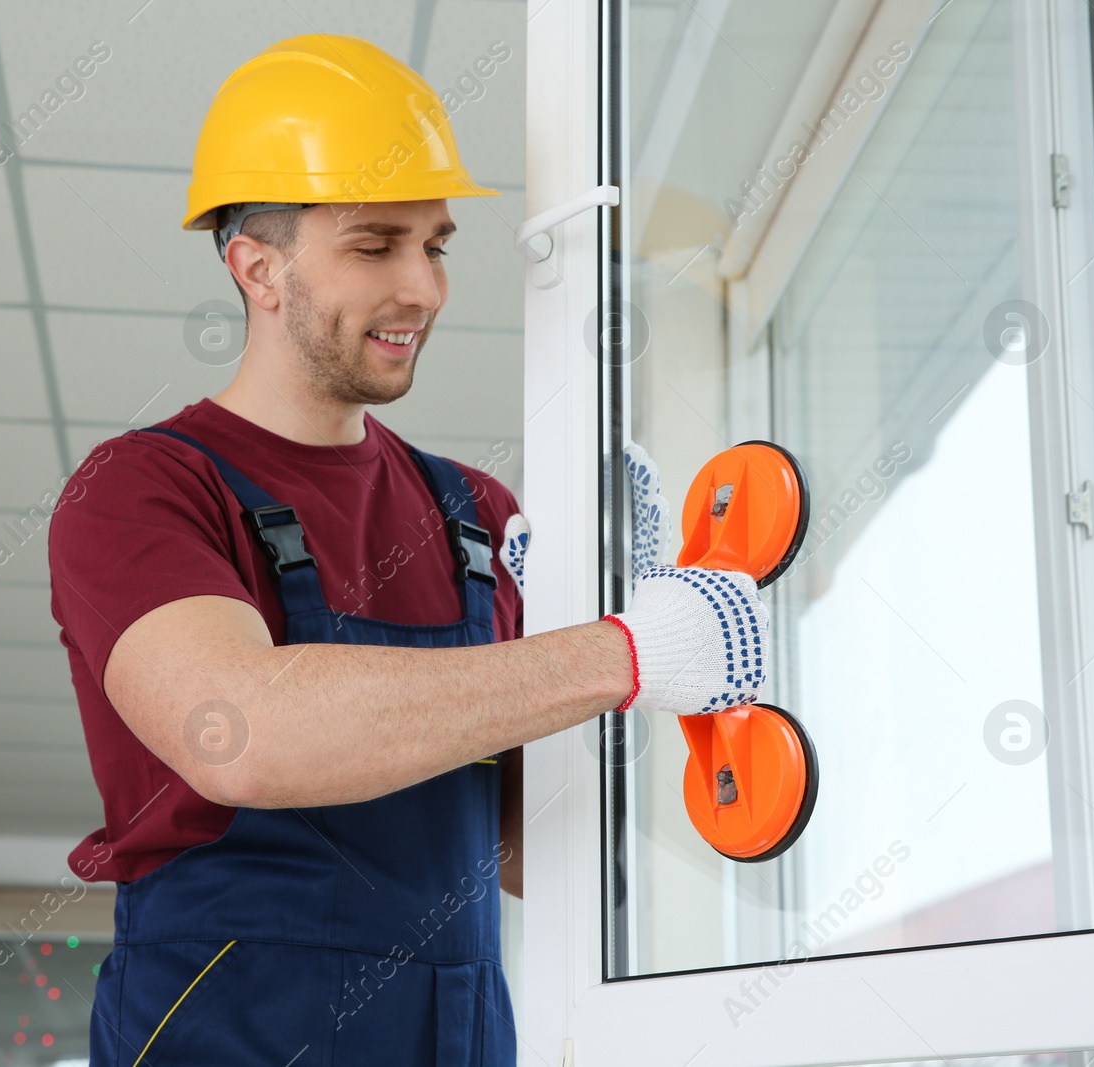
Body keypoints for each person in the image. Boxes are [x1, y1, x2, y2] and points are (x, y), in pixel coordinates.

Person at [48, 32, 768, 1067]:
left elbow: (529, 851)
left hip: (459, 1029)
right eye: (374, 244)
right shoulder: (144, 487)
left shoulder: (475, 513)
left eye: (434, 245)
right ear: (256, 266)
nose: (423, 288)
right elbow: (239, 732)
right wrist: (624, 650)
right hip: (232, 1030)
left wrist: (641, 693)